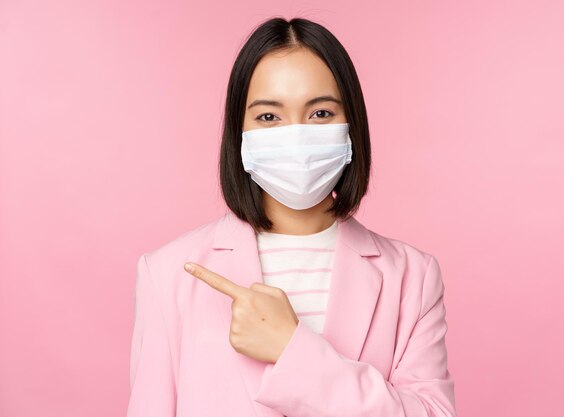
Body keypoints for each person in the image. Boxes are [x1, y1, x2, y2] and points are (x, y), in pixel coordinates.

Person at [127, 16, 457, 417]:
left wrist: (293, 350)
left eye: (320, 114)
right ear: (240, 133)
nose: (296, 136)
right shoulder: (166, 276)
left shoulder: (412, 277)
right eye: (269, 117)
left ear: (351, 126)